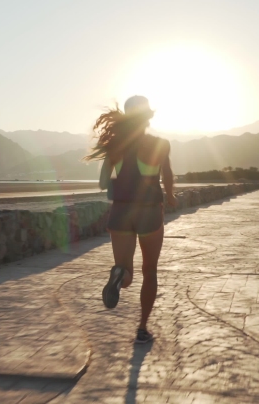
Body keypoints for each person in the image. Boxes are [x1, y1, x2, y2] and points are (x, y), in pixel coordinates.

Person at [85, 95, 176, 344]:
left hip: (121, 213)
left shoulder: (116, 147)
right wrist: (170, 195)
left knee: (126, 274)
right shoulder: (161, 144)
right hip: (149, 212)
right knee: (150, 270)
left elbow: (103, 183)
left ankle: (118, 275)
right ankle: (142, 328)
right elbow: (166, 176)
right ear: (148, 117)